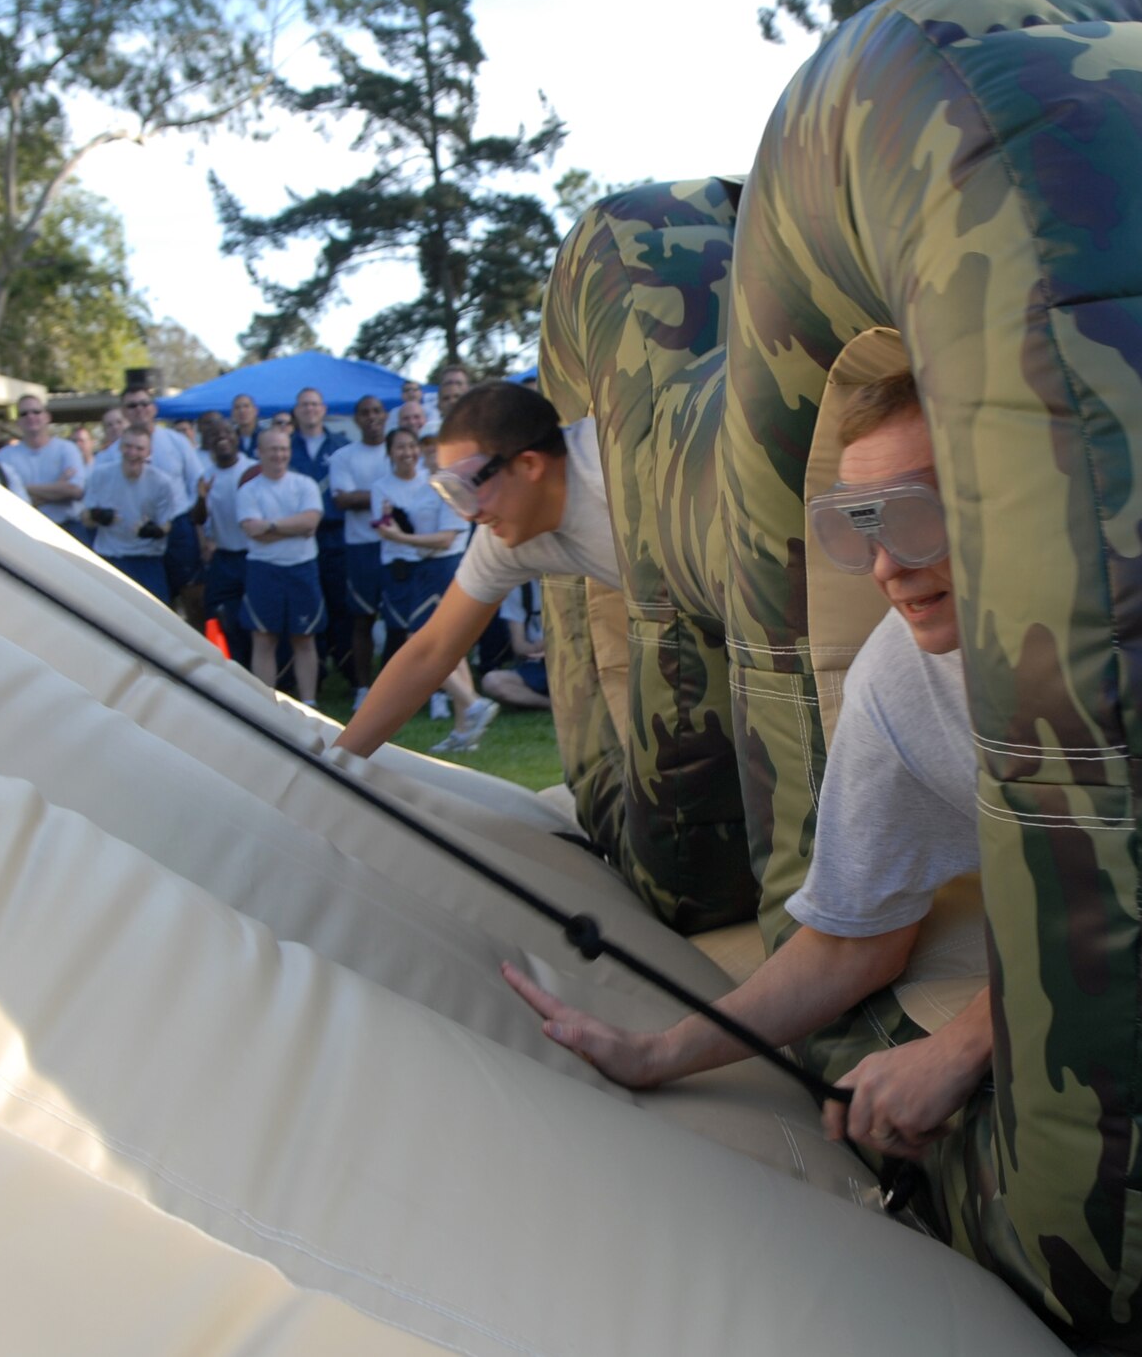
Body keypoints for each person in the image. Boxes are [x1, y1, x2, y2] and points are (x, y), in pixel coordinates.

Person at [502, 371, 990, 1163]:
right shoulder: (896, 679)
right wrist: (659, 1053)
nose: (883, 569)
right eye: (858, 526)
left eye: (915, 517)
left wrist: (965, 1042)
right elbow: (855, 940)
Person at [334, 380, 616, 759]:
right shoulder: (505, 533)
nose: (468, 514)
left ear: (529, 464)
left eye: (468, 487)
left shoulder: (613, 473)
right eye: (450, 494)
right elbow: (431, 650)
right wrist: (334, 763)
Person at [370, 425, 488, 737]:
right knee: (451, 649)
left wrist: (400, 536)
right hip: (427, 570)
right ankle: (465, 729)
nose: (429, 451)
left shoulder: (452, 485)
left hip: (442, 569)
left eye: (435, 445)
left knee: (422, 643)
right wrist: (392, 521)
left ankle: (472, 704)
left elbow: (446, 539)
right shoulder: (429, 485)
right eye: (426, 445)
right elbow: (416, 526)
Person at [237, 427, 326, 703]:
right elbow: (253, 532)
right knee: (264, 639)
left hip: (302, 568)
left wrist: (271, 526)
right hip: (264, 570)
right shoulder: (248, 490)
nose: (279, 455)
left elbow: (311, 522)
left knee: (304, 638)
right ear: (259, 453)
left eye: (284, 449)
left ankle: (309, 703)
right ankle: (266, 705)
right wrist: (294, 527)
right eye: (273, 449)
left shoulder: (305, 485)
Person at [102, 385, 205, 617]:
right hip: (136, 535)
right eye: (132, 405)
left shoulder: (176, 441)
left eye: (144, 403)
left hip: (178, 529)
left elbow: (198, 486)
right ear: (124, 411)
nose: (139, 409)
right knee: (152, 604)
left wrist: (202, 535)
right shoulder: (111, 454)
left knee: (194, 598)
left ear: (154, 408)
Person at [328, 393, 393, 708]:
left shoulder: (398, 450)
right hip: (361, 547)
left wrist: (364, 497)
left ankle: (399, 688)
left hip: (398, 544)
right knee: (362, 619)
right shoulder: (343, 456)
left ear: (385, 416)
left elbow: (414, 489)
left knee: (400, 620)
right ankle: (363, 688)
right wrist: (387, 495)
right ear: (356, 419)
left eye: (377, 411)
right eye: (365, 412)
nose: (372, 417)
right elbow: (342, 500)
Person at [289, 386, 352, 687]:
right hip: (298, 539)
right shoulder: (285, 447)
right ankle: (316, 671)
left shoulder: (341, 445)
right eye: (304, 405)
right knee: (309, 608)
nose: (310, 409)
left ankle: (348, 666)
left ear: (324, 409)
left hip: (336, 537)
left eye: (315, 404)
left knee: (340, 605)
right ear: (296, 410)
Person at [80, 425, 180, 603]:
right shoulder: (100, 475)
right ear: (120, 447)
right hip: (111, 559)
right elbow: (85, 519)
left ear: (149, 452)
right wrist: (98, 516)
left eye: (139, 448)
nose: (132, 452)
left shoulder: (162, 482)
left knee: (155, 618)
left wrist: (154, 531)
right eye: (128, 446)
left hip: (147, 561)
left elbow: (167, 525)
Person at [193, 421, 258, 667]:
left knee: (256, 619)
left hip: (254, 555)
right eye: (214, 433)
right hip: (224, 557)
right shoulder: (207, 476)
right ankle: (233, 668)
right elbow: (197, 519)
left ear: (236, 437)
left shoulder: (253, 469)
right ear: (208, 442)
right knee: (220, 616)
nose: (221, 437)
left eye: (226, 432)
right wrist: (201, 498)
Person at [0, 393, 89, 541]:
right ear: (18, 422)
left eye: (36, 411)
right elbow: (6, 499)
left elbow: (75, 490)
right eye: (24, 413)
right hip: (25, 532)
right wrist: (59, 486)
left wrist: (23, 489)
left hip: (69, 530)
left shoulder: (68, 449)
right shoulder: (4, 456)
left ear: (47, 416)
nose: (30, 416)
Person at [481, 581, 549, 711]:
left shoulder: (574, 584)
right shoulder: (520, 589)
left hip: (575, 660)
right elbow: (519, 647)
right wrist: (544, 646)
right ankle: (552, 705)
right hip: (538, 665)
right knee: (492, 682)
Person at [230, 393, 261, 457]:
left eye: (246, 406)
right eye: (237, 407)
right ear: (232, 413)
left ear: (255, 410)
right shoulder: (230, 439)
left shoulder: (266, 437)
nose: (242, 410)